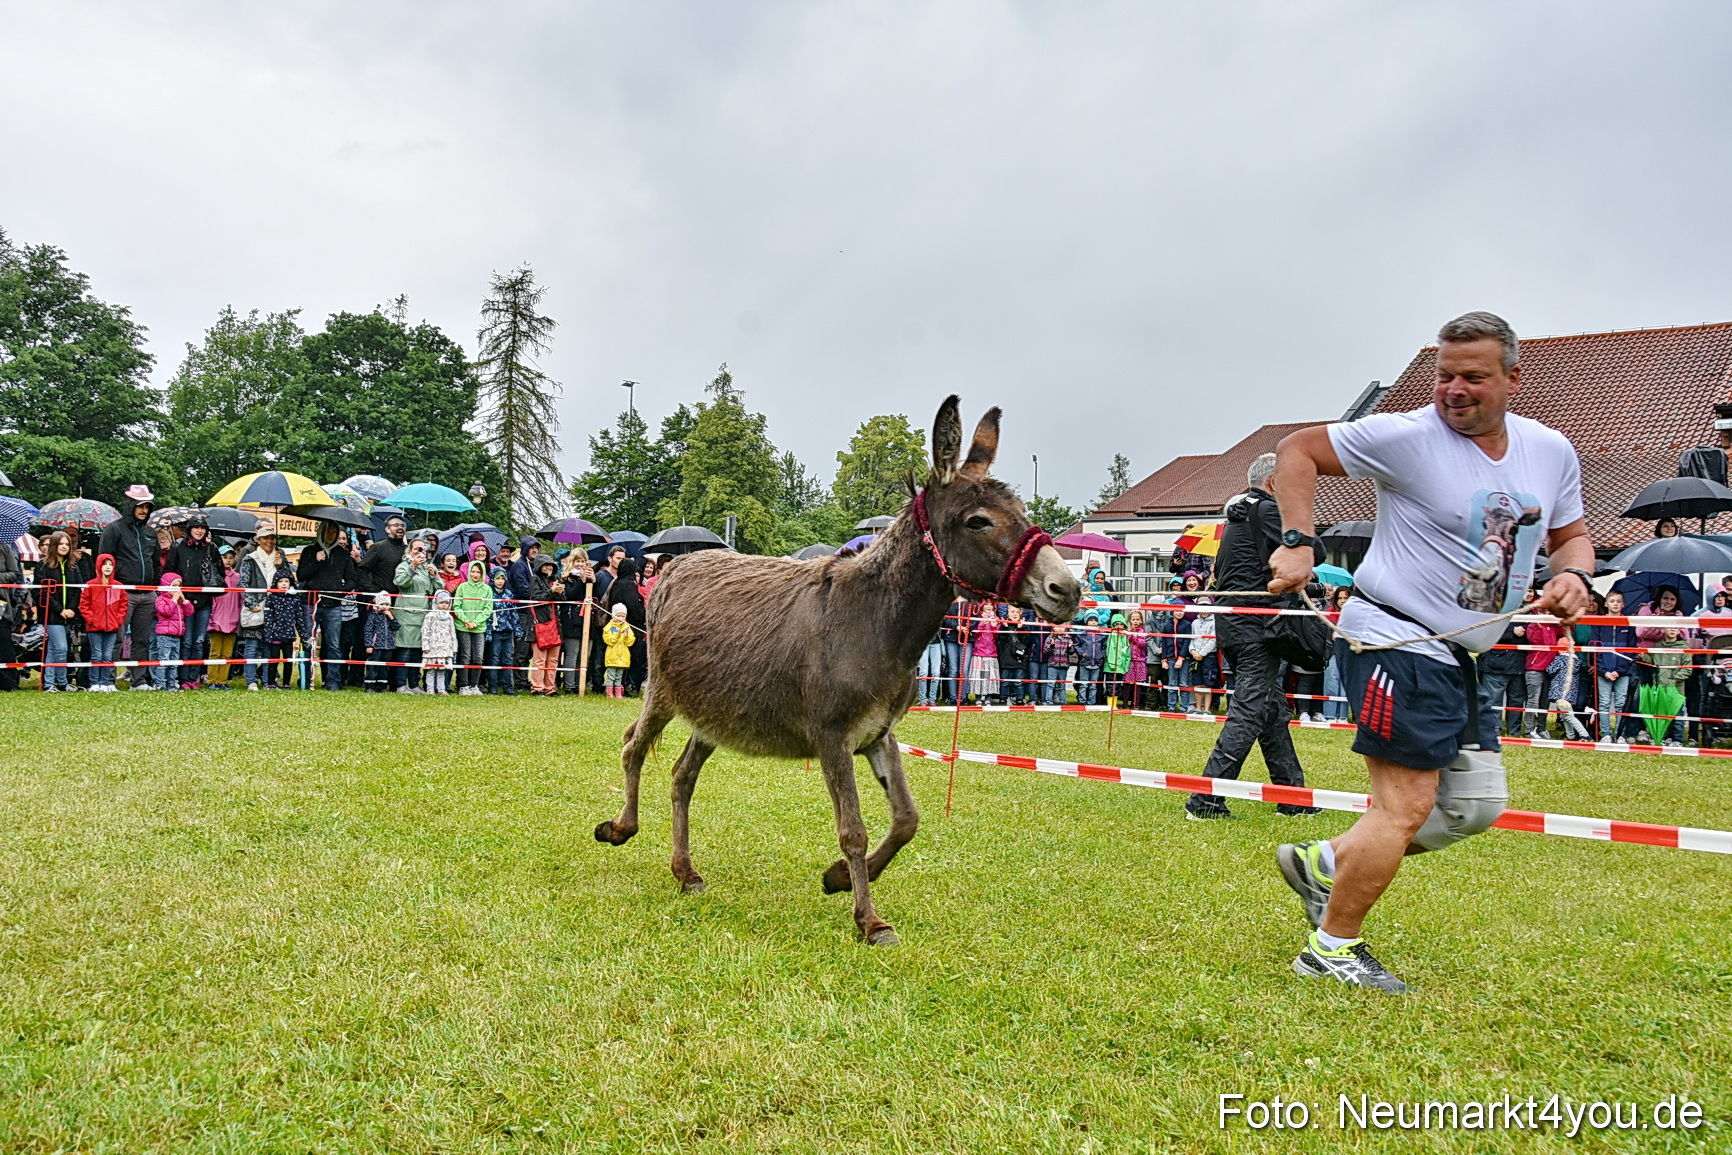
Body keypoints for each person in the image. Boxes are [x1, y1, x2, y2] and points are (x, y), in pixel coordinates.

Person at [1268, 310, 1592, 994]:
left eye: (1472, 376)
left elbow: (1574, 535)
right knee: (1407, 804)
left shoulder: (1550, 449)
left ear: (1512, 378)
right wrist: (1299, 540)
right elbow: (1297, 451)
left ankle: (1328, 862)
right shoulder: (1408, 436)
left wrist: (1575, 575)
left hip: (1463, 653)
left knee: (1471, 806)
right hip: (1393, 636)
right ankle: (1332, 946)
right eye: (1445, 375)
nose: (1454, 389)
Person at [1192, 453, 1328, 819]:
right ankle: (1205, 800)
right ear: (1272, 484)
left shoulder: (1239, 517)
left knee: (1271, 711)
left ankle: (1293, 798)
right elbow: (1316, 551)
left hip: (1237, 626)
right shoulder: (1267, 512)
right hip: (1258, 629)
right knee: (1249, 712)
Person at [96, 485, 160, 682]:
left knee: (141, 640)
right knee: (116, 638)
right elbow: (103, 560)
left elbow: (156, 563)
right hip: (122, 591)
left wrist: (155, 587)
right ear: (131, 505)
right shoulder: (114, 529)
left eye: (147, 507)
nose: (144, 510)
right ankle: (108, 680)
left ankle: (138, 681)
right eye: (140, 506)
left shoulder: (151, 532)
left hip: (147, 593)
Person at [297, 521, 360, 690]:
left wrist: (340, 591)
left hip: (333, 605)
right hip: (311, 603)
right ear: (321, 531)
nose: (331, 533)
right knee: (308, 642)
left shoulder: (343, 554)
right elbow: (301, 575)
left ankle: (333, 681)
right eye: (328, 530)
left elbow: (352, 579)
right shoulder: (309, 551)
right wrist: (316, 561)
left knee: (334, 644)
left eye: (334, 530)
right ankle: (307, 679)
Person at [164, 515, 224, 688]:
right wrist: (178, 592)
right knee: (187, 641)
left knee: (199, 641)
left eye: (202, 528)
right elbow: (169, 571)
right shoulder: (178, 546)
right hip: (185, 601)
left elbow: (219, 572)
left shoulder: (211, 548)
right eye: (196, 527)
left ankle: (193, 677)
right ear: (189, 530)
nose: (199, 530)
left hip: (204, 601)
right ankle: (182, 678)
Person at [238, 530, 292, 690]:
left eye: (272, 538)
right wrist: (250, 602)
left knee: (269, 646)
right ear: (258, 540)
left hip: (275, 610)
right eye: (266, 538)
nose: (269, 541)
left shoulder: (279, 558)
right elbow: (242, 584)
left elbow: (289, 580)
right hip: (255, 608)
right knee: (252, 646)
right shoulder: (250, 559)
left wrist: (280, 565)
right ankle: (251, 680)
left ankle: (268, 680)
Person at [37, 531, 89, 692]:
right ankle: (59, 682)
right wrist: (60, 610)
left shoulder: (73, 567)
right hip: (52, 615)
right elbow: (42, 593)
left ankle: (52, 683)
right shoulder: (43, 566)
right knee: (61, 648)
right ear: (54, 546)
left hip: (68, 615)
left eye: (67, 544)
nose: (65, 547)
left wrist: (72, 609)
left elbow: (77, 590)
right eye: (61, 544)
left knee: (54, 649)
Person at [393, 539, 439, 694]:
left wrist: (435, 576)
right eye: (417, 549)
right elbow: (400, 582)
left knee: (418, 651)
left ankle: (414, 684)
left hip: (422, 614)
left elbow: (438, 591)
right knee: (405, 650)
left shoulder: (427, 568)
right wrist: (413, 567)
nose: (421, 552)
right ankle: (400, 685)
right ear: (409, 550)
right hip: (407, 613)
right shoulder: (403, 566)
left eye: (423, 550)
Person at [78, 553, 128, 691]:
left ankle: (105, 683)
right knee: (96, 655)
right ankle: (94, 683)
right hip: (94, 627)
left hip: (112, 627)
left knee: (107, 656)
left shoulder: (118, 586)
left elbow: (123, 605)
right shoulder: (90, 585)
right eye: (105, 564)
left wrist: (117, 621)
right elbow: (84, 605)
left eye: (110, 564)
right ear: (99, 566)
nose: (107, 567)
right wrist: (92, 620)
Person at [1591, 590, 1635, 740]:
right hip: (1604, 671)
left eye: (1618, 601)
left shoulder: (1628, 623)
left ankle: (1620, 734)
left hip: (1622, 672)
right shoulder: (1599, 623)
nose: (1615, 604)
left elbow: (1631, 650)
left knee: (1621, 703)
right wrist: (1603, 671)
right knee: (1603, 703)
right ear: (1606, 603)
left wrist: (1620, 670)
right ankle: (1606, 734)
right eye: (1612, 601)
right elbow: (1594, 649)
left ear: (1623, 604)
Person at [602, 558, 648, 693]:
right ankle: (626, 685)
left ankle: (619, 686)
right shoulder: (628, 585)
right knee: (631, 658)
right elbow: (633, 607)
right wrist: (642, 615)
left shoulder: (616, 583)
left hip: (618, 621)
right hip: (631, 625)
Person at [451, 559, 492, 695]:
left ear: (482, 574)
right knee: (465, 656)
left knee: (478, 657)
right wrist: (466, 620)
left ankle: (474, 685)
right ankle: (463, 686)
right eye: (473, 572)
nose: (475, 575)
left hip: (479, 628)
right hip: (463, 627)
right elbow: (457, 606)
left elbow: (488, 609)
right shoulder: (462, 587)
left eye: (478, 572)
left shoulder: (487, 589)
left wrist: (476, 622)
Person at [1542, 633, 1593, 740]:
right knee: (1564, 716)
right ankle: (1571, 735)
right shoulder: (1576, 661)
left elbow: (1550, 670)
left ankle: (1585, 735)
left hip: (1559, 692)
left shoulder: (1560, 659)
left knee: (1569, 716)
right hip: (1570, 693)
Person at [507, 537, 541, 691]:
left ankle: (523, 680)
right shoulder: (519, 566)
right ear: (525, 549)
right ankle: (519, 682)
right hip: (522, 612)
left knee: (528, 650)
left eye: (536, 548)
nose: (534, 550)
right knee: (521, 648)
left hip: (533, 612)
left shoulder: (536, 566)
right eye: (531, 548)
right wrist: (542, 593)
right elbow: (524, 590)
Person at [261, 572, 305, 689]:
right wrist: (268, 634)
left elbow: (299, 619)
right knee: (274, 660)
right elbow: (268, 618)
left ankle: (286, 683)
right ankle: (270, 683)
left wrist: (304, 636)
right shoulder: (271, 598)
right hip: (275, 635)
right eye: (281, 582)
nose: (284, 584)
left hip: (289, 635)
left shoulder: (295, 599)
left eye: (286, 581)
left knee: (288, 660)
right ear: (276, 584)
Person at [528, 554, 562, 695]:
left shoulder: (554, 580)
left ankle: (550, 688)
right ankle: (537, 688)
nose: (549, 568)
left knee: (553, 660)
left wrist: (560, 591)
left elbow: (562, 600)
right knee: (539, 659)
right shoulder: (535, 579)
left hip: (555, 625)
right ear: (539, 566)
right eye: (546, 565)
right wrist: (551, 592)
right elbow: (536, 599)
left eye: (551, 565)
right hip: (540, 625)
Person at [152, 574, 194, 690]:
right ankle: (160, 684)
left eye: (179, 586)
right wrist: (174, 600)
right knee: (164, 661)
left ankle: (171, 685)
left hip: (177, 636)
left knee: (174, 662)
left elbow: (189, 612)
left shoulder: (180, 602)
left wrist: (184, 600)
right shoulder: (161, 600)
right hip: (164, 635)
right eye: (173, 586)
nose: (177, 589)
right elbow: (166, 612)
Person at [486, 566, 520, 695]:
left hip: (508, 631)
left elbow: (514, 613)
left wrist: (517, 630)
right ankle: (493, 687)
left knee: (507, 660)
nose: (500, 581)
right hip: (495, 632)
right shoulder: (489, 593)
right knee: (494, 659)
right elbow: (487, 614)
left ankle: (508, 688)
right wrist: (488, 632)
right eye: (497, 578)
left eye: (502, 578)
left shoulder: (509, 594)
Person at [421, 589, 458, 696]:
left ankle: (441, 689)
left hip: (445, 649)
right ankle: (430, 689)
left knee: (442, 670)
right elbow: (425, 631)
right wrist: (425, 646)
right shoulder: (430, 616)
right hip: (432, 648)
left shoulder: (450, 617)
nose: (444, 605)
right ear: (436, 603)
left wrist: (453, 647)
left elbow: (452, 633)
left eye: (446, 603)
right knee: (431, 670)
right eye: (441, 602)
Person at [1185, 600, 1218, 714]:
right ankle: (1198, 708)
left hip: (1209, 656)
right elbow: (1192, 639)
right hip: (1196, 656)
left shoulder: (1214, 622)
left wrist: (1202, 653)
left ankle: (1207, 709)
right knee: (1196, 681)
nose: (1204, 611)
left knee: (1208, 682)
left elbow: (1213, 641)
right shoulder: (1194, 622)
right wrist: (1193, 651)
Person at [362, 591, 398, 692]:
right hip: (376, 646)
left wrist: (391, 617)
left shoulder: (390, 616)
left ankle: (382, 686)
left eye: (387, 605)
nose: (384, 607)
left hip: (389, 646)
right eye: (382, 604)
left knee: (385, 667)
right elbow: (368, 630)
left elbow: (396, 627)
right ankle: (370, 686)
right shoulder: (373, 616)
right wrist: (369, 645)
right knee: (373, 666)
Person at [967, 601, 1001, 704]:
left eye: (991, 605)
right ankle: (978, 698)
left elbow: (998, 636)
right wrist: (982, 623)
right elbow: (974, 634)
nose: (989, 607)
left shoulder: (996, 619)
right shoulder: (978, 618)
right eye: (987, 604)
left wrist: (995, 626)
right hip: (979, 652)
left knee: (990, 676)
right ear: (982, 607)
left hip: (992, 652)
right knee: (979, 676)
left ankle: (987, 698)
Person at [602, 603, 636, 698]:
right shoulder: (609, 627)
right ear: (613, 615)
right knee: (611, 676)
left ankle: (618, 693)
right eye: (618, 616)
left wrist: (626, 637)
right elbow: (608, 640)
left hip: (623, 657)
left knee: (619, 676)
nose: (621, 618)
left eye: (623, 616)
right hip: (612, 656)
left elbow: (631, 641)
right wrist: (617, 635)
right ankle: (609, 693)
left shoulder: (627, 627)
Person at [998, 604, 1030, 704]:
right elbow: (1001, 639)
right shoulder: (1004, 626)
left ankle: (1019, 699)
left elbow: (1026, 642)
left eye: (1017, 612)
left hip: (1019, 658)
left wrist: (1021, 629)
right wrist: (1006, 628)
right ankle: (1003, 698)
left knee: (1019, 682)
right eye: (1012, 612)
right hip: (1006, 658)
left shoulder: (1024, 627)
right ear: (1008, 614)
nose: (1015, 614)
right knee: (1005, 682)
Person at [1072, 611, 1105, 706]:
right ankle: (1082, 701)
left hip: (1096, 664)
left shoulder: (1101, 635)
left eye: (1095, 620)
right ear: (1086, 622)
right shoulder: (1082, 634)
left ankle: (1091, 702)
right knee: (1083, 684)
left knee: (1093, 685)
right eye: (1091, 620)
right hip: (1085, 663)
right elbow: (1076, 644)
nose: (1093, 622)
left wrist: (1101, 655)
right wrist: (1082, 654)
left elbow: (1104, 646)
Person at [940, 596, 968, 705]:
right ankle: (953, 698)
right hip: (951, 637)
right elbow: (946, 617)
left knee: (964, 670)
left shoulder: (970, 601)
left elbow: (976, 615)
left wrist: (967, 627)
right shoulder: (951, 600)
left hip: (967, 638)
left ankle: (963, 698)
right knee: (953, 669)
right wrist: (956, 626)